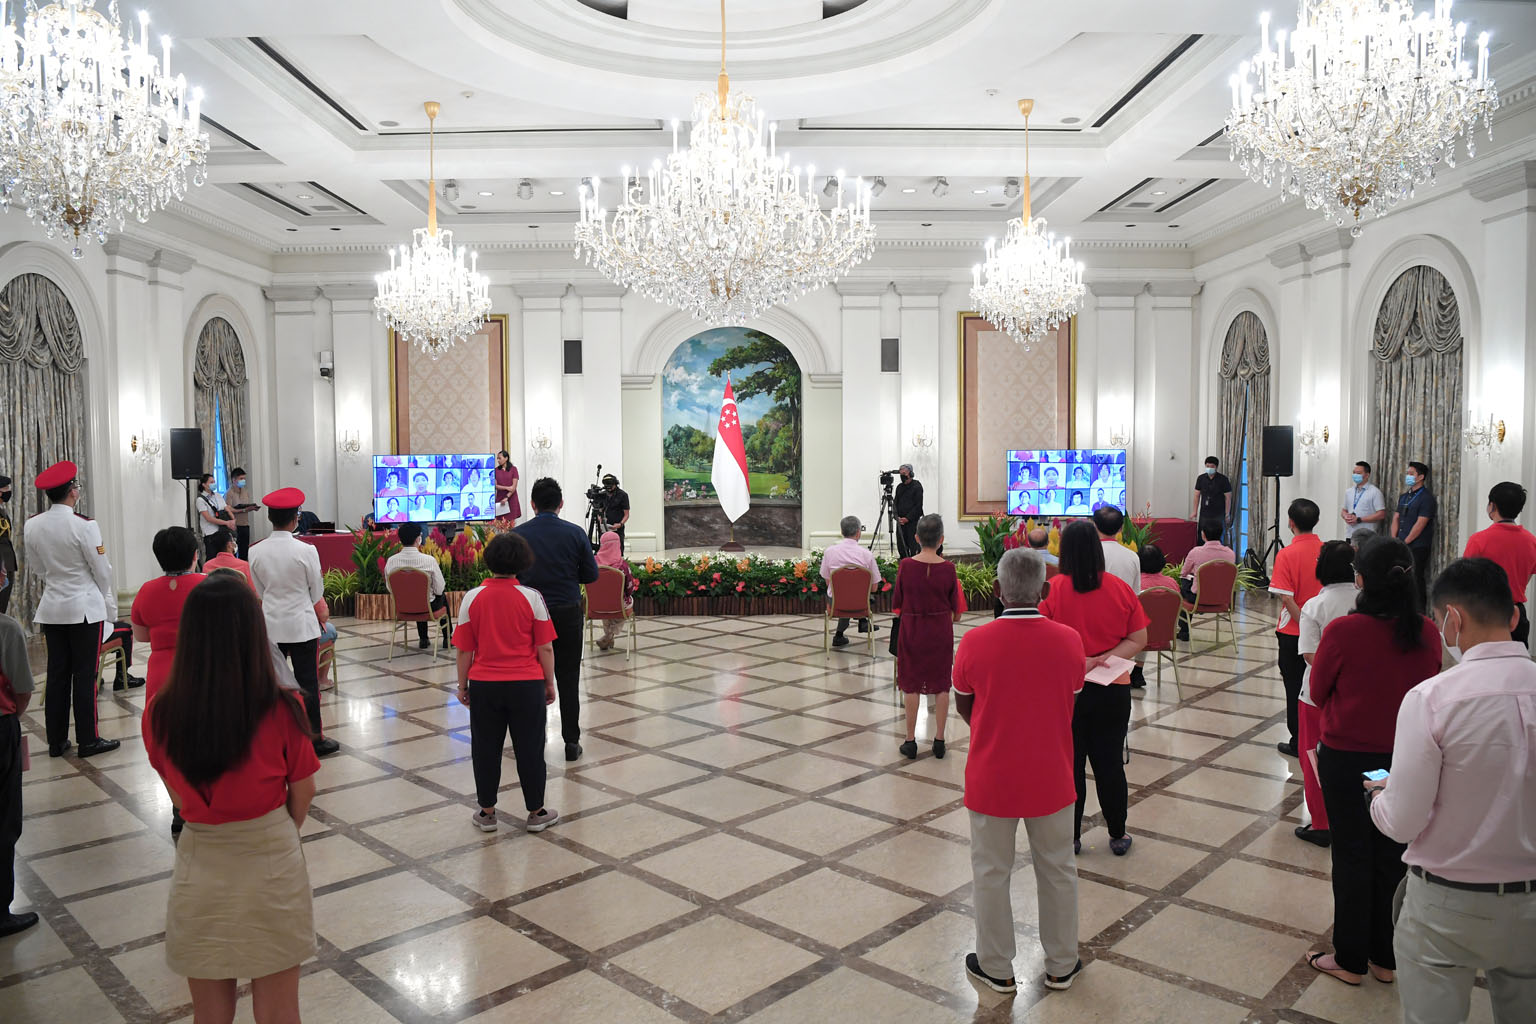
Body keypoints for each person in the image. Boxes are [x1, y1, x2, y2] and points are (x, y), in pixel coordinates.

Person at [142, 575, 319, 1024]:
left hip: (201, 859)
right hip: (271, 857)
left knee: (210, 1015)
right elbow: (303, 790)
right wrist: (274, 829)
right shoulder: (282, 705)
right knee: (280, 1011)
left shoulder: (160, 712)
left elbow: (178, 795)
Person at [1367, 558, 1536, 1022]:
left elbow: (1403, 822)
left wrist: (1378, 800)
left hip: (1449, 903)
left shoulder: (1433, 699)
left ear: (1452, 620)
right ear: (1515, 617)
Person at [1305, 538, 1441, 986]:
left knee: (1351, 854)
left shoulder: (1345, 631)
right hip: (1403, 758)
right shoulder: (1426, 631)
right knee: (1393, 853)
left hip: (1347, 758)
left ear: (1361, 578)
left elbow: (1318, 691)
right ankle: (1386, 957)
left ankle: (1350, 958)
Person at [955, 548, 1085, 994]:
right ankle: (1062, 964)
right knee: (1058, 870)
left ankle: (996, 967)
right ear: (1045, 591)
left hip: (992, 776)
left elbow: (964, 705)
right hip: (1052, 774)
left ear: (996, 590)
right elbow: (1070, 697)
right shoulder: (1069, 640)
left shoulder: (974, 642)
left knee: (991, 872)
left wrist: (997, 727)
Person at [1040, 520, 1149, 857]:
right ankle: (1117, 834)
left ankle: (1070, 836)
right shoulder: (1119, 588)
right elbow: (1139, 638)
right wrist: (1104, 658)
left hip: (1066, 693)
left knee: (1070, 765)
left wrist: (1080, 659)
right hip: (1113, 689)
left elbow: (1041, 639)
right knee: (1109, 764)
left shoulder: (1052, 589)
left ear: (1065, 551)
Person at [453, 532, 560, 835]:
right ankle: (536, 811)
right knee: (530, 747)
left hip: (485, 684)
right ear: (523, 562)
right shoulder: (532, 597)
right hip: (527, 684)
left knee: (485, 747)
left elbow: (464, 649)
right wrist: (548, 683)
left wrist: (463, 686)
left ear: (488, 562)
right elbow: (546, 647)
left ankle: (487, 813)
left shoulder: (472, 598)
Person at [22, 462, 120, 758]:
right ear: (72, 492)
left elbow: (38, 569)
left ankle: (56, 740)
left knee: (57, 675)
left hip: (52, 609)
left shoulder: (32, 524)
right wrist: (104, 597)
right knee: (85, 675)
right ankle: (88, 740)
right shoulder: (85, 525)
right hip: (85, 610)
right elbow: (101, 570)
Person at [248, 488, 340, 758]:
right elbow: (316, 591)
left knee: (271, 683)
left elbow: (260, 590)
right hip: (301, 625)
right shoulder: (306, 549)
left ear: (270, 518)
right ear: (295, 518)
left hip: (271, 625)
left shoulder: (255, 550)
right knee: (308, 684)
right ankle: (314, 739)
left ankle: (272, 737)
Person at [514, 479, 599, 761]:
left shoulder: (519, 535)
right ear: (560, 504)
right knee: (568, 676)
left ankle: (532, 741)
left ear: (532, 504)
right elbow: (591, 576)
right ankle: (571, 742)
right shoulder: (575, 534)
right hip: (566, 611)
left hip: (529, 614)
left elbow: (510, 576)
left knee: (531, 676)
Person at [1293, 539, 1357, 848]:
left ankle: (1322, 824)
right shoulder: (1366, 599)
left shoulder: (1315, 606)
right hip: (1359, 693)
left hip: (1317, 695)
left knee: (1313, 757)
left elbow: (1309, 655)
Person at [892, 514, 965, 759]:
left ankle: (910, 740)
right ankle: (939, 740)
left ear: (916, 537)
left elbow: (897, 604)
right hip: (940, 632)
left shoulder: (906, 566)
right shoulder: (949, 569)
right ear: (942, 539)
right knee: (942, 685)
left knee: (911, 684)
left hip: (912, 630)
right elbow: (957, 612)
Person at [1270, 499, 1324, 757]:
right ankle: (1321, 737)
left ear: (1290, 522)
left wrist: (1306, 629)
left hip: (1294, 634)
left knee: (1294, 687)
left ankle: (1298, 741)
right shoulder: (1326, 551)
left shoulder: (1286, 554)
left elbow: (1287, 597)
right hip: (1325, 633)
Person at [0, 582, 37, 936]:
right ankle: (0, 911)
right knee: (4, 819)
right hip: (0, 727)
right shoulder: (6, 628)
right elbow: (22, 690)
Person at [1462, 481, 1536, 646]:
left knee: (1485, 665)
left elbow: (1466, 579)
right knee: (1516, 664)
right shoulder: (1532, 541)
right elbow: (1529, 572)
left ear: (1492, 506)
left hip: (1486, 613)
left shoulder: (1479, 540)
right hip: (1517, 613)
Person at [384, 523, 448, 649]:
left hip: (402, 608)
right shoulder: (429, 561)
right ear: (418, 539)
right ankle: (447, 638)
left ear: (400, 540)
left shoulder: (391, 561)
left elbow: (389, 587)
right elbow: (440, 588)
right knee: (440, 597)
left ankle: (423, 639)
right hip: (427, 607)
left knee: (417, 597)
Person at [821, 515, 882, 648]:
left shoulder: (830, 552)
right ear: (859, 532)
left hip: (835, 604)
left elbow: (827, 582)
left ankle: (840, 635)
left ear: (842, 532)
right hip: (861, 605)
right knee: (855, 594)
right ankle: (862, 621)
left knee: (843, 593)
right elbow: (874, 588)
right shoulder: (866, 555)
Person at [1175, 519, 1236, 641]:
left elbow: (1183, 572)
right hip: (1222, 599)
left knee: (1182, 585)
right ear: (1221, 533)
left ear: (1203, 534)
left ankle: (1184, 631)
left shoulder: (1196, 552)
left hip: (1198, 598)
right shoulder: (1230, 554)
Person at [1391, 461, 1437, 604]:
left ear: (1421, 477)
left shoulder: (1427, 498)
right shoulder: (1404, 497)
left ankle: (1419, 611)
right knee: (1398, 577)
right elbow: (1396, 518)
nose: (1408, 476)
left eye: (1411, 474)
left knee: (1415, 578)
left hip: (1417, 545)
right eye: (1407, 473)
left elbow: (1420, 523)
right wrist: (1395, 540)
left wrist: (1406, 542)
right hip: (1400, 543)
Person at [593, 531, 637, 650]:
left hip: (595, 605)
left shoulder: (593, 563)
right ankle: (609, 636)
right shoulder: (622, 565)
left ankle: (608, 637)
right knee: (620, 602)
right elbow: (629, 588)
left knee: (605, 601)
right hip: (618, 605)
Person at [1092, 506, 1140, 591]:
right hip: (1123, 604)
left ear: (1094, 526)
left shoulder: (1087, 554)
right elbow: (1135, 593)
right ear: (1121, 528)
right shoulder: (1133, 556)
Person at [1340, 460, 1386, 543]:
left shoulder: (1375, 492)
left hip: (1367, 536)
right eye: (1354, 473)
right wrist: (1345, 516)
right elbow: (1344, 510)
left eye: (1358, 473)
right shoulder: (1349, 492)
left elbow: (1381, 514)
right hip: (1350, 534)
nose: (1355, 475)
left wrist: (1359, 519)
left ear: (1367, 475)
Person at [195, 473, 236, 562]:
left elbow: (226, 508)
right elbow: (208, 518)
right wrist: (226, 523)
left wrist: (233, 520)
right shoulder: (200, 500)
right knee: (212, 558)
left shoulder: (217, 495)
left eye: (214, 481)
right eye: (211, 482)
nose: (214, 483)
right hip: (211, 534)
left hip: (223, 531)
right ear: (204, 485)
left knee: (226, 558)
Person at [222, 468, 258, 560]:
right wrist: (244, 510)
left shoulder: (245, 491)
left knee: (244, 550)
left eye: (244, 479)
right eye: (241, 478)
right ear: (234, 480)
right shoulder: (229, 493)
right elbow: (228, 509)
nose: (243, 481)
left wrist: (251, 508)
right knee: (233, 551)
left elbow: (245, 507)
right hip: (234, 526)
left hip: (245, 524)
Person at [1192, 455, 1232, 526]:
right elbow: (1196, 496)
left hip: (1218, 513)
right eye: (1207, 466)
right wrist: (1194, 511)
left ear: (1216, 467)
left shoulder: (1223, 479)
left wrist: (1227, 514)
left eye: (1212, 466)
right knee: (1202, 534)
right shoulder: (1201, 478)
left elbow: (1228, 498)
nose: (1209, 468)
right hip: (1204, 513)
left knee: (1217, 535)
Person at [894, 464, 924, 558]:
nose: (902, 476)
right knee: (901, 546)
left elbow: (918, 506)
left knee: (913, 545)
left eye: (904, 473)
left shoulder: (917, 486)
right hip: (900, 523)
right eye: (900, 473)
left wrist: (907, 518)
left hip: (912, 523)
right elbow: (895, 504)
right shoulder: (899, 487)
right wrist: (897, 518)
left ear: (910, 473)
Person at [598, 474, 631, 550]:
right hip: (604, 527)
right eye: (607, 487)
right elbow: (600, 510)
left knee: (618, 548)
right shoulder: (602, 495)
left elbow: (626, 514)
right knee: (604, 548)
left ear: (615, 484)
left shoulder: (623, 495)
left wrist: (620, 524)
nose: (609, 489)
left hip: (617, 528)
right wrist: (600, 520)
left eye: (611, 486)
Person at [493, 450, 521, 526]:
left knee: (511, 526)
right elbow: (495, 486)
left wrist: (506, 497)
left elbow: (513, 488)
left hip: (511, 498)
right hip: (500, 499)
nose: (498, 460)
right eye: (497, 459)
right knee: (500, 525)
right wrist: (507, 488)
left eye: (500, 458)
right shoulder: (496, 470)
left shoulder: (513, 469)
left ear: (506, 458)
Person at [0, 475, 15, 616]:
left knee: (3, 604)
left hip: (7, 562)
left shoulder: (2, 511)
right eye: (6, 488)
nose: (8, 491)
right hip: (2, 565)